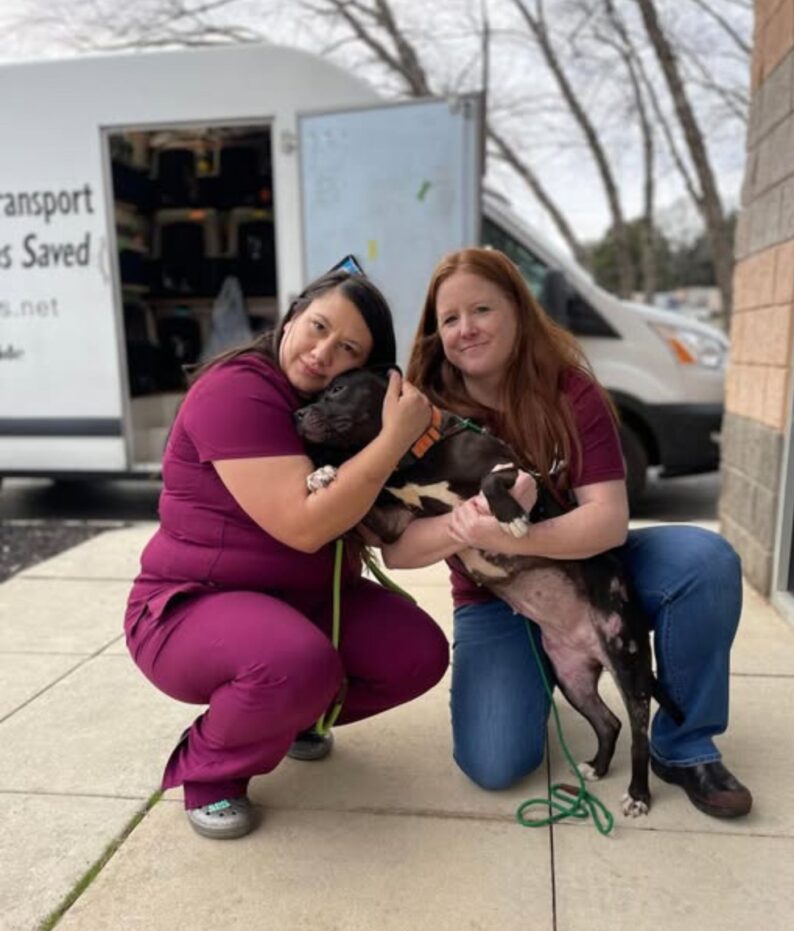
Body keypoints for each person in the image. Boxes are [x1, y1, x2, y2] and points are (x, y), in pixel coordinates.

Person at [379, 247, 752, 819]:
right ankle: (538, 672)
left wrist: (511, 536)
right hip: (496, 599)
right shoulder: (423, 414)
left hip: (592, 569)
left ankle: (683, 745)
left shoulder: (569, 392)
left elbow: (606, 520)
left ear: (519, 311)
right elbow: (399, 550)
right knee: (494, 764)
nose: (466, 329)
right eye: (448, 319)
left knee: (704, 561)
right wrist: (467, 526)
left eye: (482, 309)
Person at [124, 268, 449, 840]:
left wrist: (480, 523)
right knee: (294, 664)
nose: (324, 352)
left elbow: (382, 529)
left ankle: (285, 716)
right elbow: (303, 526)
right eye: (318, 327)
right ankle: (211, 770)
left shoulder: (333, 410)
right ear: (293, 313)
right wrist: (394, 438)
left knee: (417, 653)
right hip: (192, 608)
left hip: (304, 603)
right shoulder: (237, 389)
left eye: (348, 348)